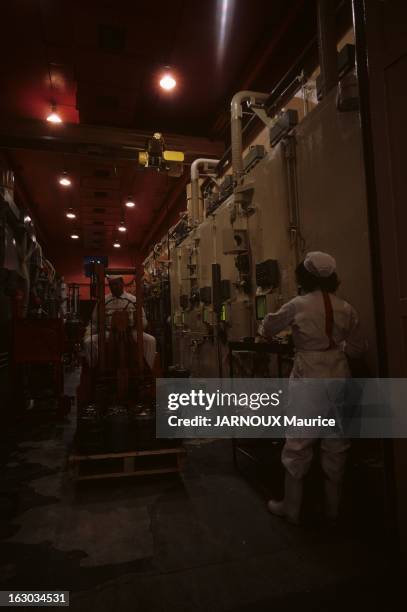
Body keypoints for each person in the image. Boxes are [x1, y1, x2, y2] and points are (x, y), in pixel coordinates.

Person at [259, 251, 366, 524]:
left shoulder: (298, 305)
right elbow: (357, 349)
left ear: (303, 276)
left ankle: (291, 509)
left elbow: (267, 328)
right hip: (340, 376)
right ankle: (333, 510)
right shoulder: (346, 307)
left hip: (309, 377)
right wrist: (336, 346)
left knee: (298, 443)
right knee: (336, 444)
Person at [84, 275, 156, 369]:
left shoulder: (133, 300)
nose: (114, 287)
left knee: (150, 340)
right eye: (111, 285)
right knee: (89, 342)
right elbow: (94, 322)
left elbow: (143, 320)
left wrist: (139, 324)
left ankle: (146, 370)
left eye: (116, 284)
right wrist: (88, 333)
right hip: (109, 333)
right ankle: (95, 369)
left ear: (122, 283)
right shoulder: (103, 301)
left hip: (131, 332)